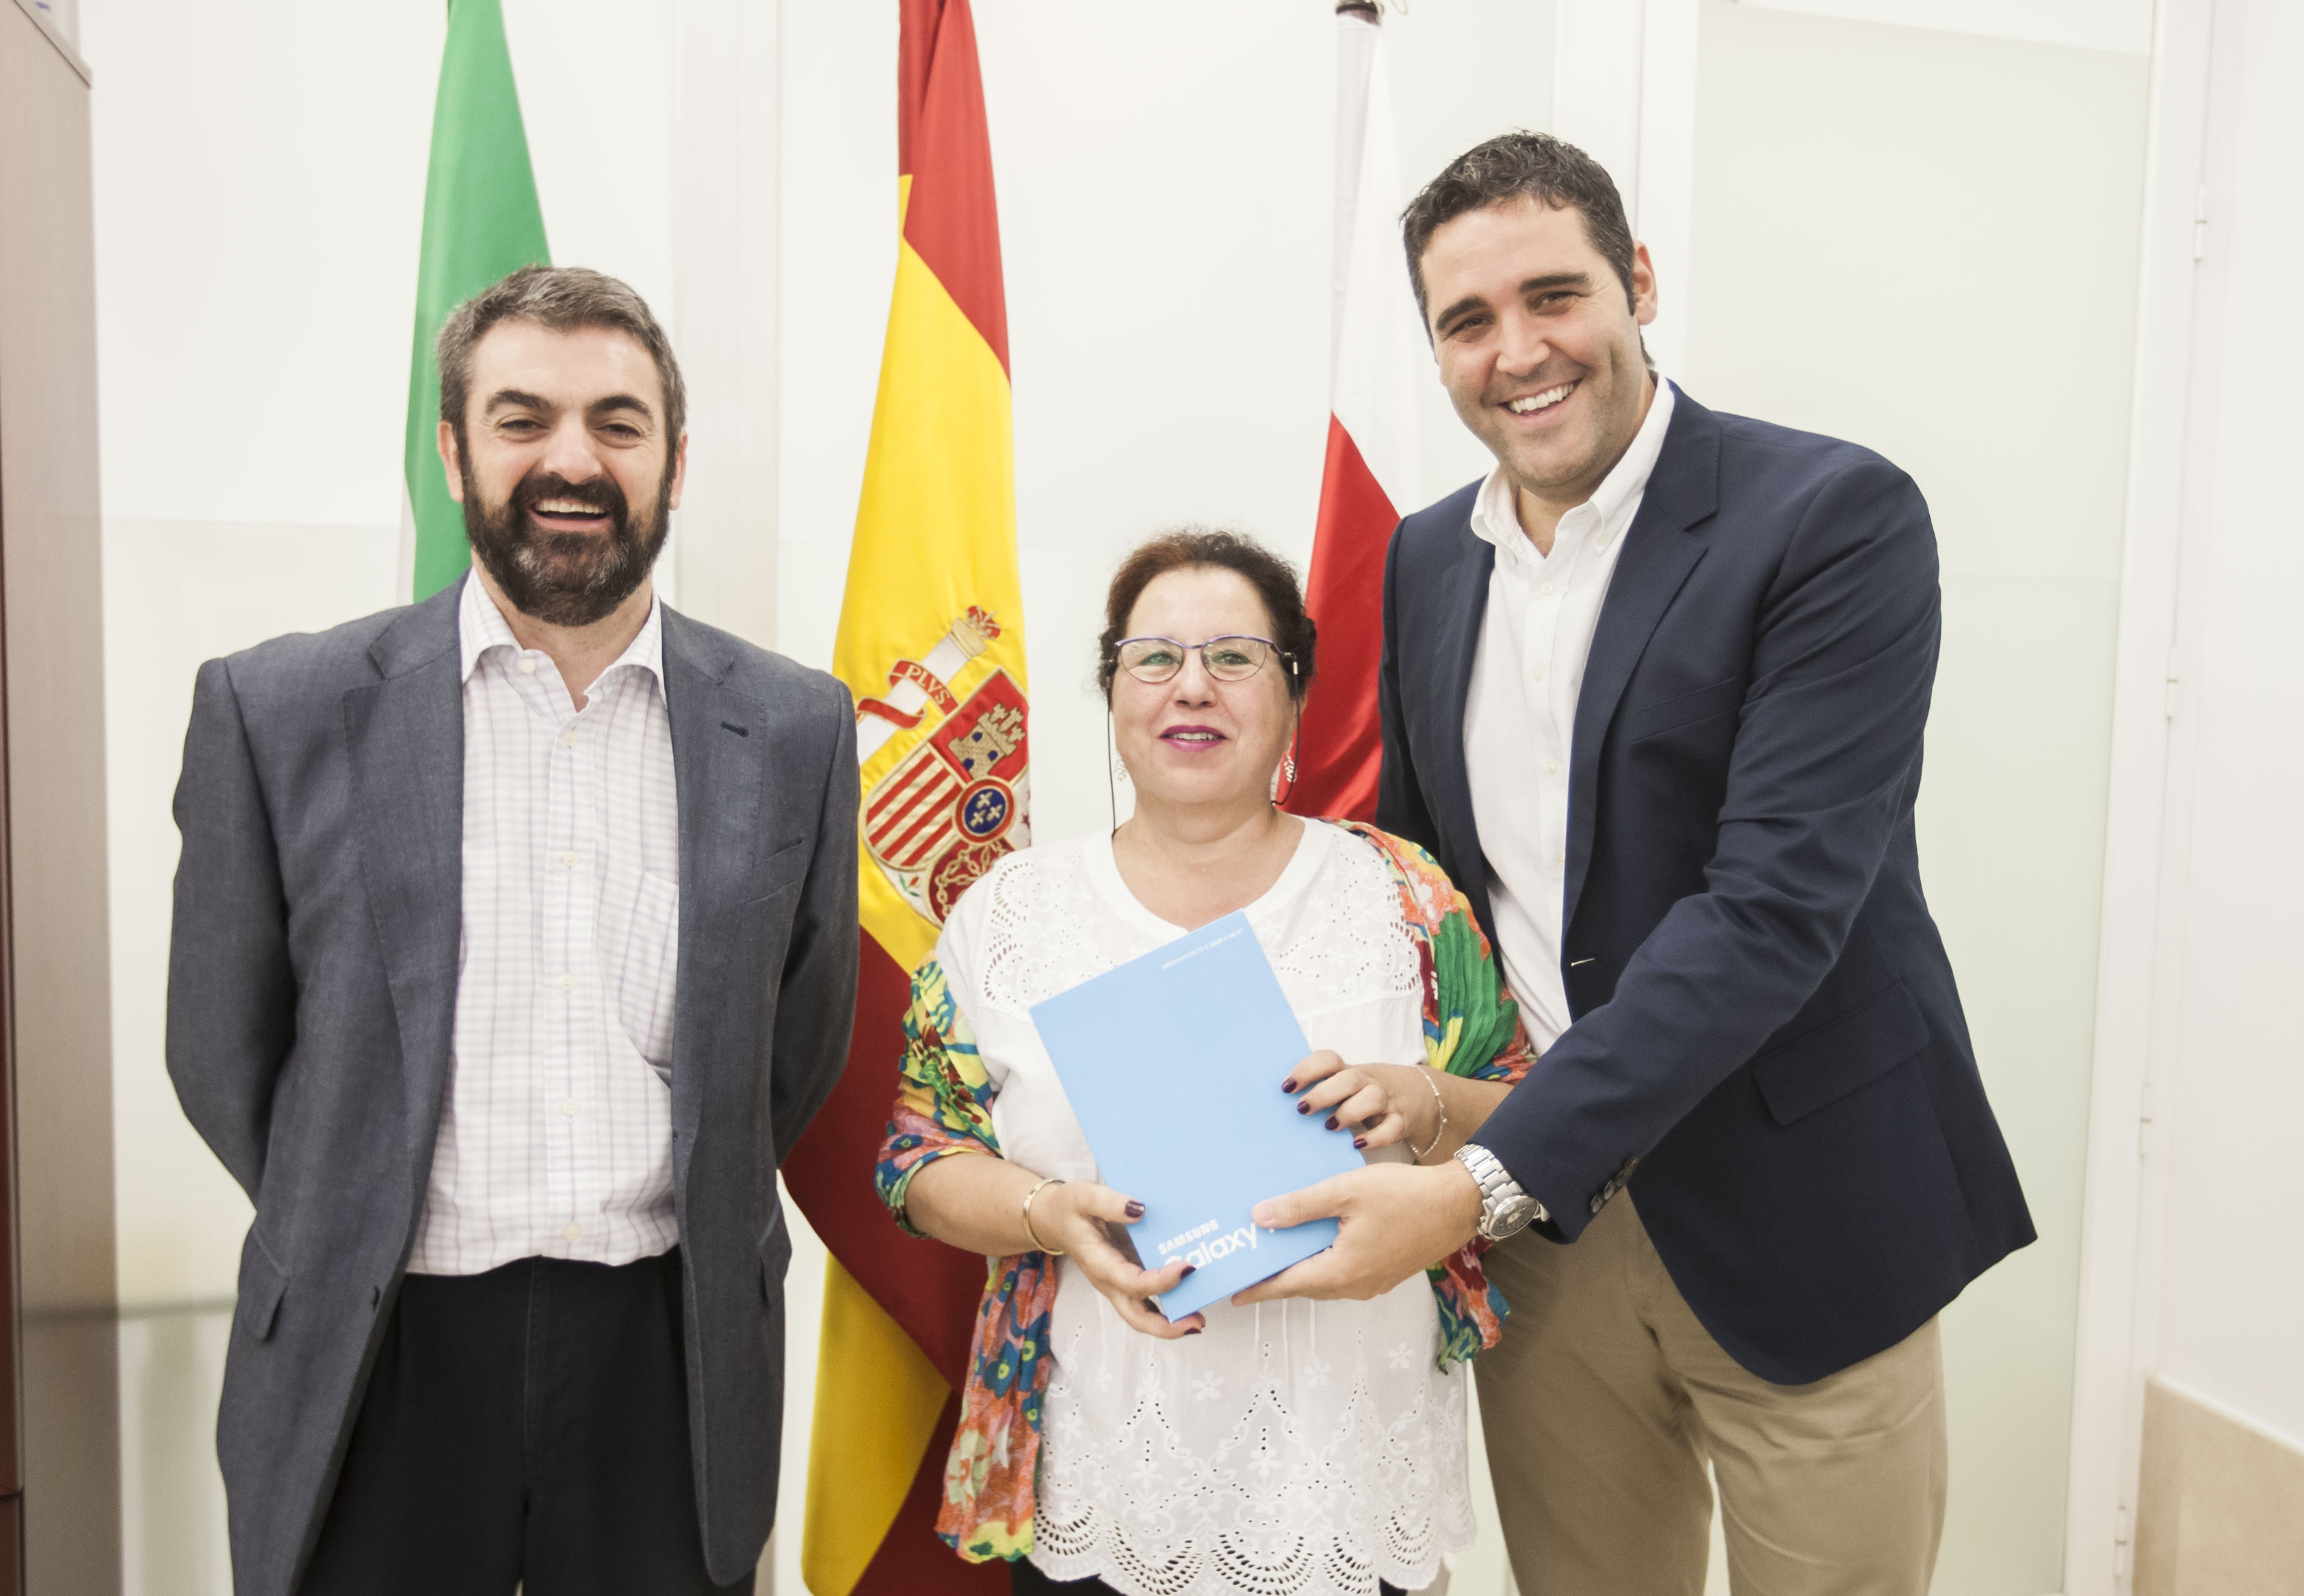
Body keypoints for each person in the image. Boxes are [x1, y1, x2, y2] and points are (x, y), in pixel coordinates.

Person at [1239, 133, 2037, 1596]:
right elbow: (1424, 889)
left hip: (1801, 1209)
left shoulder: (1833, 517)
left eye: (1554, 295)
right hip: (1542, 1230)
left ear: (1639, 282)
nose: (1518, 352)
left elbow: (1770, 912)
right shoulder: (1424, 560)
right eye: (1468, 321)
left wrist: (1475, 1183)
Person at [166, 265, 859, 1596]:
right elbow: (220, 1049)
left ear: (674, 459)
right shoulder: (279, 708)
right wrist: (350, 1193)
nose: (571, 460)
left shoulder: (792, 727)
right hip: (377, 1352)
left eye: (617, 422)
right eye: (522, 417)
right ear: (453, 450)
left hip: (669, 1358)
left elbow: (797, 1044)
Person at [873, 530, 1535, 1596]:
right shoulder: (1008, 914)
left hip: (1351, 1480)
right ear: (1111, 690)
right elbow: (917, 1159)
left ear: (1295, 692)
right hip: (1100, 1471)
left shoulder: (1402, 895)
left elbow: (1532, 1117)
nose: (1193, 687)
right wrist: (1050, 1215)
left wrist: (1421, 1099)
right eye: (1154, 657)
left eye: (1235, 656)